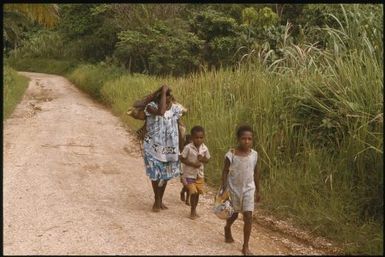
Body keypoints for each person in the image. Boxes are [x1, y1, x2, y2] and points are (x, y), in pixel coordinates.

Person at [219, 125, 260, 255]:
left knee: (248, 215)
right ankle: (227, 227)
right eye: (243, 138)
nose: (246, 141)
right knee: (234, 214)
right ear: (238, 139)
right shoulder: (231, 154)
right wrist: (224, 186)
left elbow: (256, 172)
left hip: (249, 189)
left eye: (249, 139)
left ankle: (245, 246)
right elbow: (225, 171)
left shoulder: (254, 154)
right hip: (233, 189)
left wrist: (258, 190)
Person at [143, 85, 184, 212]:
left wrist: (180, 148)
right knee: (155, 174)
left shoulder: (176, 109)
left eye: (168, 96)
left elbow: (179, 127)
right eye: (163, 96)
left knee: (165, 175)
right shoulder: (150, 107)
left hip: (170, 148)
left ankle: (160, 199)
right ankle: (157, 199)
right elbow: (161, 112)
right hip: (153, 147)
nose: (166, 98)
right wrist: (163, 91)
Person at [180, 126, 210, 219]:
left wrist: (203, 159)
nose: (199, 140)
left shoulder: (204, 148)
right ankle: (192, 212)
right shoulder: (188, 147)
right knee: (193, 192)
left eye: (201, 137)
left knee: (197, 193)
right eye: (196, 137)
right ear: (192, 138)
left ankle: (194, 209)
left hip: (199, 175)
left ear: (204, 137)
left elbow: (208, 159)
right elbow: (182, 158)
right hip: (189, 174)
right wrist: (192, 164)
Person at [180, 134, 192, 205]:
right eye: (189, 140)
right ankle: (182, 192)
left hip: (191, 171)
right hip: (184, 170)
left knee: (189, 185)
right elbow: (181, 161)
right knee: (186, 185)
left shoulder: (194, 148)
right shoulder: (185, 148)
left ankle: (188, 199)